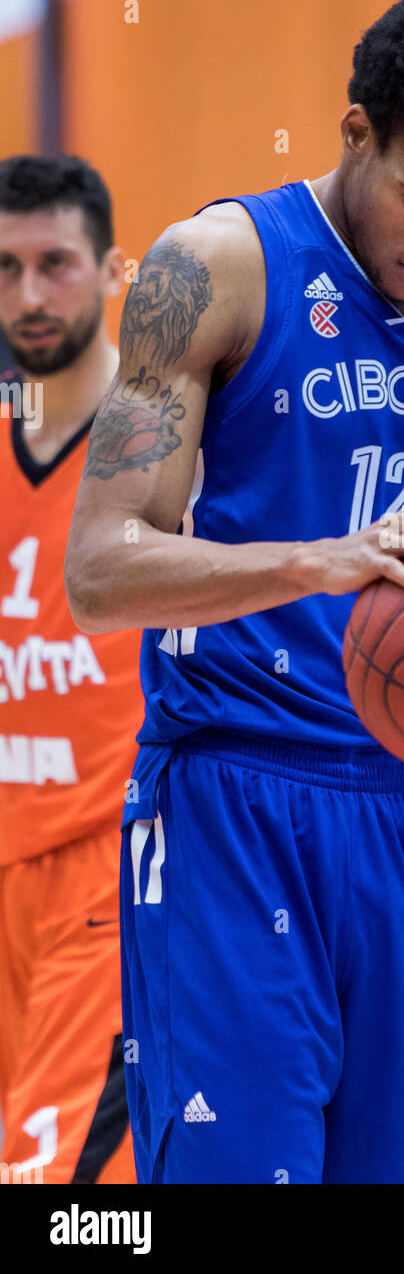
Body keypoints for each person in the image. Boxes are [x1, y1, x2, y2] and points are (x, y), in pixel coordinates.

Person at [65, 0, 404, 1185]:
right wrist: (326, 562)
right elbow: (99, 572)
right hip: (230, 803)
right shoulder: (208, 269)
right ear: (355, 130)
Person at [0, 154, 140, 1182]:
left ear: (112, 270)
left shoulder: (171, 451)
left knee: (50, 1183)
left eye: (55, 263)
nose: (30, 295)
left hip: (109, 871)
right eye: (5, 269)